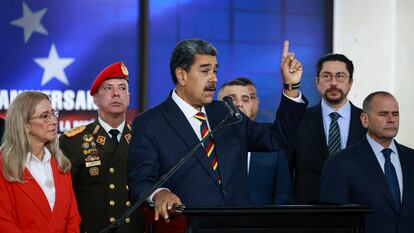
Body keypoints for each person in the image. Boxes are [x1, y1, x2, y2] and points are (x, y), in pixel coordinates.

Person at [127, 38, 307, 222]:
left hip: (237, 226)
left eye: (215, 70)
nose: (214, 78)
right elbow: (141, 182)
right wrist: (159, 193)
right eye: (205, 71)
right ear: (182, 75)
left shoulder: (226, 112)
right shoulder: (150, 123)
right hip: (188, 226)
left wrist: (291, 87)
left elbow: (277, 138)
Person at [59, 62, 142, 233]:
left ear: (128, 96)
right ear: (95, 98)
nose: (116, 94)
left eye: (122, 88)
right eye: (108, 88)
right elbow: (64, 199)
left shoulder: (142, 137)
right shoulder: (73, 141)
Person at [320, 91, 414, 233]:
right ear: (365, 119)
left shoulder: (411, 158)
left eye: (395, 114)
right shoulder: (340, 163)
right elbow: (332, 223)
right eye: (383, 114)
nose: (391, 119)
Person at [289, 53, 366, 203]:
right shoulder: (299, 120)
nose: (333, 83)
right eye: (326, 76)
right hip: (309, 213)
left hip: (357, 210)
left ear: (350, 82)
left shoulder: (366, 121)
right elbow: (286, 171)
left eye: (340, 76)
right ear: (317, 82)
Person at [0, 91, 80, 232]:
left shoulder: (61, 164)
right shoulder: (4, 166)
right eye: (45, 116)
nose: (54, 121)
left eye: (53, 114)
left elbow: (72, 218)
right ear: (25, 125)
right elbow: (4, 222)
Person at [218, 79, 292, 204]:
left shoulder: (271, 145)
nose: (239, 104)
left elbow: (283, 198)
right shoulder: (207, 143)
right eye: (232, 99)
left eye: (245, 99)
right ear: (217, 104)